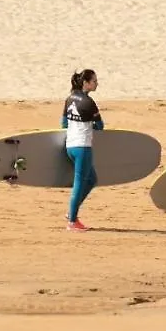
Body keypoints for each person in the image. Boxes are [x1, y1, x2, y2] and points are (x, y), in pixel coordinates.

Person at [61, 69, 103, 232]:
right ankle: (72, 221)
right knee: (79, 183)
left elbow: (64, 124)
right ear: (86, 83)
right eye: (94, 81)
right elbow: (100, 126)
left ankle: (72, 212)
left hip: (70, 146)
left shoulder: (69, 98)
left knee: (92, 179)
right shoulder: (89, 103)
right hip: (83, 147)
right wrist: (90, 125)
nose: (96, 83)